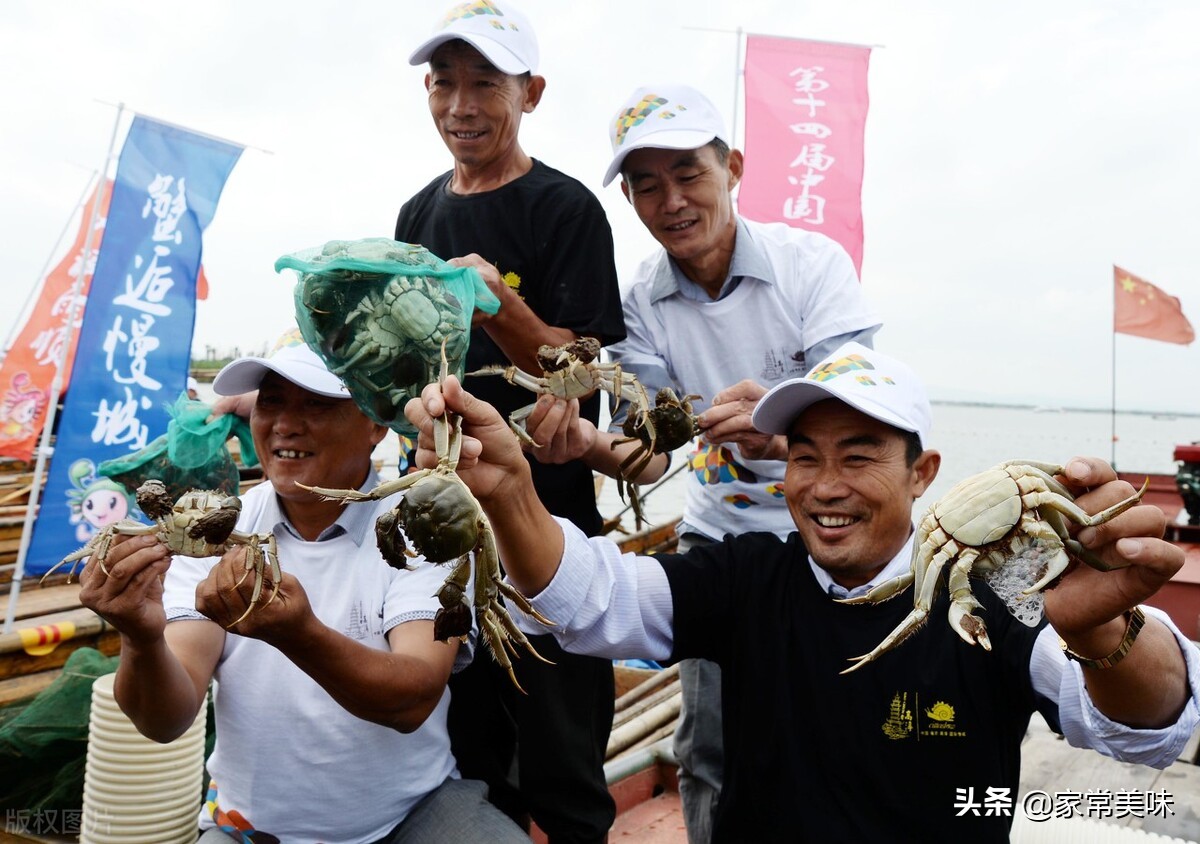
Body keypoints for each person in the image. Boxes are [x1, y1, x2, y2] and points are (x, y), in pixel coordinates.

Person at [407, 342, 1200, 843]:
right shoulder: (749, 575)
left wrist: (1104, 633)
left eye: (859, 457)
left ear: (922, 474)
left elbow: (1153, 730)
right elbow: (594, 599)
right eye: (805, 457)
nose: (825, 488)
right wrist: (511, 490)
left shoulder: (991, 592)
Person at [522, 83, 880, 842]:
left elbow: (867, 429)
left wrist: (782, 426)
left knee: (850, 732)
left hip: (838, 536)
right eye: (646, 184)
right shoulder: (641, 307)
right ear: (628, 197)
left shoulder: (812, 268)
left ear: (734, 168)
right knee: (710, 746)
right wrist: (587, 444)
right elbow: (649, 456)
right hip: (721, 543)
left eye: (689, 173)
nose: (672, 200)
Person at [77, 331, 528, 844]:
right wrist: (140, 638)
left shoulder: (418, 525)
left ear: (375, 425)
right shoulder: (215, 529)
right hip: (251, 829)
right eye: (270, 402)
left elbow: (413, 698)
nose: (285, 424)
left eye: (317, 403)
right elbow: (164, 720)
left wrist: (299, 634)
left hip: (413, 813)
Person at [393, 4, 625, 841]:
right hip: (448, 540)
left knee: (566, 766)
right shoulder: (415, 218)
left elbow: (585, 369)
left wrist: (502, 307)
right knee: (467, 759)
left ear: (530, 91)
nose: (461, 104)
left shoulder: (566, 210)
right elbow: (407, 366)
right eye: (444, 82)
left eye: (485, 82)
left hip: (550, 529)